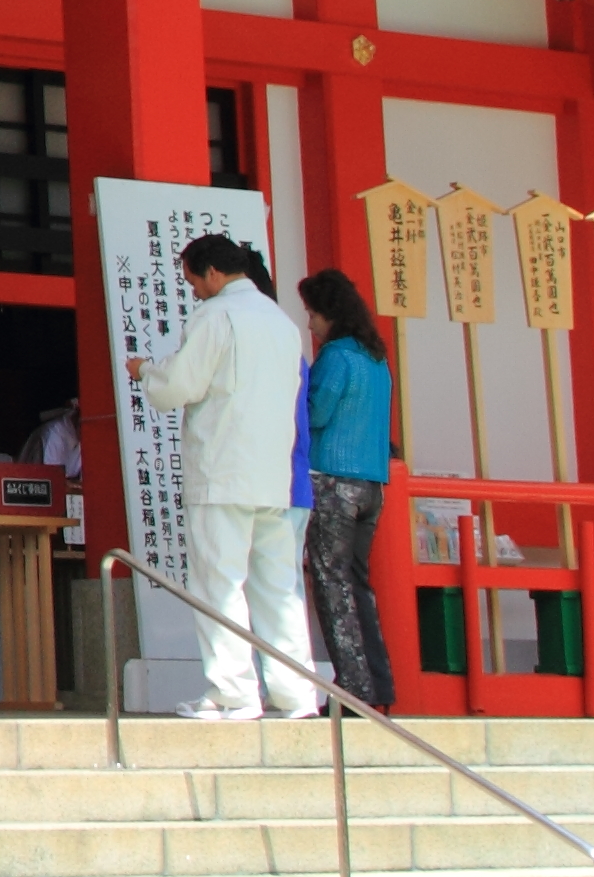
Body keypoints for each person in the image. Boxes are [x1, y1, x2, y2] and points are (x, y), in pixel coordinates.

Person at [130, 234, 310, 721]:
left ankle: (233, 692)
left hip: (224, 469)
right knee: (278, 588)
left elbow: (180, 386)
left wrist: (145, 369)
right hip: (273, 474)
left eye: (192, 281)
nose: (193, 292)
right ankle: (296, 693)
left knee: (221, 583)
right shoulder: (282, 321)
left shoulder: (217, 316)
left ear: (212, 273)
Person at [296, 266, 400, 712]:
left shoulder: (335, 357)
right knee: (358, 584)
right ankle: (378, 685)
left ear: (329, 315)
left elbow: (315, 415)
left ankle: (353, 689)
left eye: (312, 314)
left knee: (330, 585)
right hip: (372, 483)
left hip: (334, 480)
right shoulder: (375, 359)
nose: (310, 324)